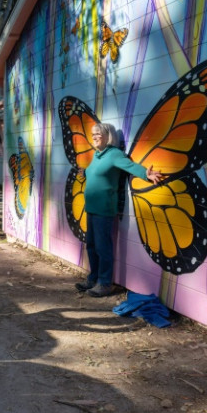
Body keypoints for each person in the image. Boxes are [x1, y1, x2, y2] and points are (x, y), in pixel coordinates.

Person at [75, 123, 163, 297]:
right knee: (91, 246)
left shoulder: (114, 154)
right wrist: (85, 173)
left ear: (108, 135)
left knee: (102, 247)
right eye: (92, 134)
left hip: (104, 209)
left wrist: (146, 174)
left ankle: (105, 283)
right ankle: (93, 279)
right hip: (91, 208)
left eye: (98, 134)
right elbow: (97, 173)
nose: (94, 137)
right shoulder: (97, 155)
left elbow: (130, 166)